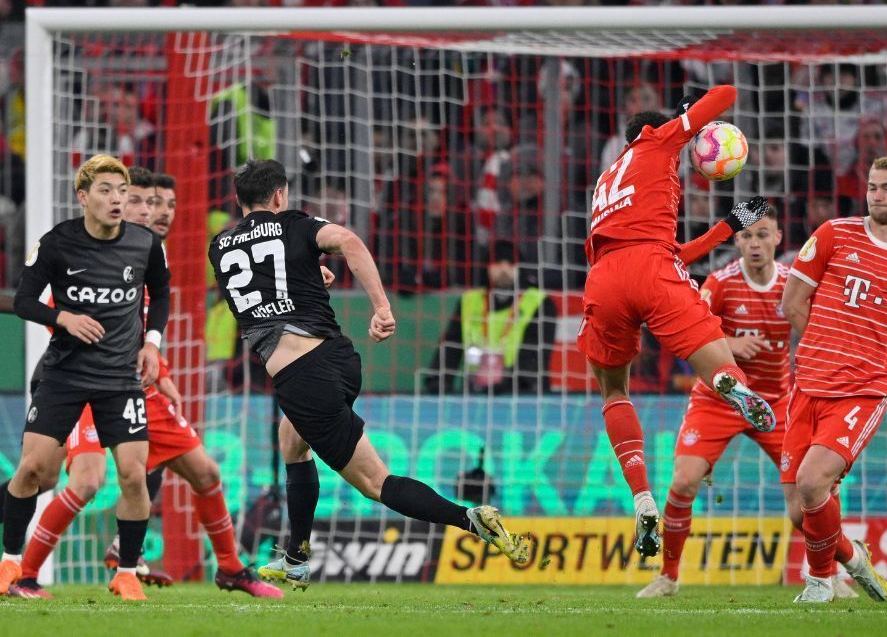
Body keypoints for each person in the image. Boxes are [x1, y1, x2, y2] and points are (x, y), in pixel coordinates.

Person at [209, 160, 527, 591]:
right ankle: (297, 557)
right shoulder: (295, 225)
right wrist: (380, 306)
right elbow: (348, 241)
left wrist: (306, 274)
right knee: (291, 439)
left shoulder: (220, 247)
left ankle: (470, 519)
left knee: (376, 483)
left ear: (237, 199)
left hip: (303, 377)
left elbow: (257, 295)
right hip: (338, 357)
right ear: (280, 196)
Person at [8, 170, 283, 600]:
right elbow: (52, 310)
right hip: (79, 379)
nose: (157, 211)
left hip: (137, 384)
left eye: (166, 204)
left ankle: (227, 568)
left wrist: (162, 368)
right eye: (144, 201)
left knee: (204, 471)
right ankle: (21, 573)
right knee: (78, 480)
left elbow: (140, 326)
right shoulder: (80, 248)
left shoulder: (149, 253)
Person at [577, 85, 775, 559]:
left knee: (614, 392)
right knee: (724, 368)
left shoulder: (607, 180)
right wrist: (691, 119)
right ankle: (731, 384)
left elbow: (679, 251)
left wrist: (729, 226)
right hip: (654, 270)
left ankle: (643, 498)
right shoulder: (659, 141)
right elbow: (726, 92)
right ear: (653, 130)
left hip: (604, 279)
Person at [2, 155, 169, 601]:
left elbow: (163, 293)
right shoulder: (57, 244)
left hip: (120, 378)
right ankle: (11, 563)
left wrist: (152, 341)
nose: (117, 199)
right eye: (106, 191)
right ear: (83, 197)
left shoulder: (145, 243)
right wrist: (64, 318)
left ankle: (127, 571)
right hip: (65, 375)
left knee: (134, 475)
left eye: (122, 191)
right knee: (35, 471)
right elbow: (22, 301)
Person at [780, 155, 887, 603]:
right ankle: (853, 558)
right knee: (800, 511)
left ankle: (819, 583)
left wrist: (866, 366)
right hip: (809, 384)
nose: (877, 195)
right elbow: (793, 303)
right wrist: (826, 350)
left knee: (814, 483)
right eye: (872, 186)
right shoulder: (833, 234)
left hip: (863, 392)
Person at [636, 205, 797, 598]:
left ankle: (832, 574)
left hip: (777, 401)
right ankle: (668, 577)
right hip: (718, 399)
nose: (755, 243)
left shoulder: (794, 284)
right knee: (684, 481)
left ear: (778, 238)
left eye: (763, 234)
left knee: (808, 496)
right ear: (737, 240)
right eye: (747, 236)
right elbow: (687, 330)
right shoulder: (719, 283)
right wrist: (732, 344)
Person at [423, 240, 557, 395]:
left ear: (520, 268)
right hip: (476, 392)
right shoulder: (469, 301)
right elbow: (451, 344)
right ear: (487, 267)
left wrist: (506, 384)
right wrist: (439, 379)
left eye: (510, 263)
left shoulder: (539, 302)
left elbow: (534, 356)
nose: (504, 269)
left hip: (525, 393)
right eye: (497, 262)